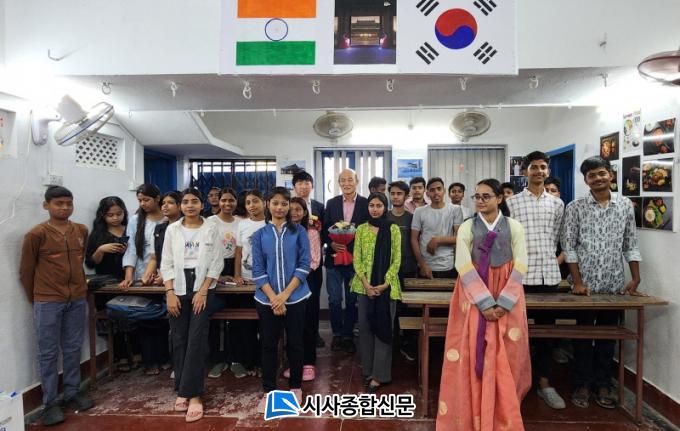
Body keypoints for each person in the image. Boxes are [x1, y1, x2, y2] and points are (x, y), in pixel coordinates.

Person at [436, 179, 530, 431]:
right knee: (470, 351)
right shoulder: (467, 227)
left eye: (486, 196)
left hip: (507, 292)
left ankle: (502, 416)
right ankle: (471, 414)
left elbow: (521, 263)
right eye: (477, 196)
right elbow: (462, 264)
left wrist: (504, 302)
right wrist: (485, 302)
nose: (480, 201)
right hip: (472, 294)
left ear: (499, 199)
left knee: (506, 354)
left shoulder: (514, 226)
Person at [562, 157, 643, 410]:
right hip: (583, 289)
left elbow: (630, 244)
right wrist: (577, 282)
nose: (597, 178)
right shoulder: (575, 207)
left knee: (608, 338)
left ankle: (603, 384)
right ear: (586, 180)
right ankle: (582, 384)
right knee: (583, 337)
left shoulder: (625, 205)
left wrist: (635, 277)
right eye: (591, 175)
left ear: (611, 175)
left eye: (601, 173)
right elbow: (569, 246)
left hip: (613, 286)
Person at [20, 186, 94, 426]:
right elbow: (26, 271)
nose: (64, 207)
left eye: (68, 203)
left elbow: (81, 261)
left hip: (77, 299)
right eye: (58, 203)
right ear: (46, 205)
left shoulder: (80, 230)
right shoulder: (36, 234)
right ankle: (50, 403)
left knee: (73, 348)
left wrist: (79, 291)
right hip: (48, 301)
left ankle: (72, 392)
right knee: (48, 352)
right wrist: (37, 299)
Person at [506, 151, 566, 410]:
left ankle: (544, 383)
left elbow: (559, 239)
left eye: (543, 167)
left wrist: (555, 262)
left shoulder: (557, 204)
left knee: (546, 334)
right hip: (519, 277)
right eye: (534, 167)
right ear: (524, 172)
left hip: (548, 277)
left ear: (547, 171)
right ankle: (513, 383)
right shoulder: (512, 203)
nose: (539, 171)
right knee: (514, 333)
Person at [161, 188, 224, 423]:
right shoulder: (172, 229)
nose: (190, 205)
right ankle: (182, 389)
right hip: (177, 284)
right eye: (185, 202)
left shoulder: (211, 228)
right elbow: (166, 262)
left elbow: (216, 262)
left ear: (201, 205)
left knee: (196, 338)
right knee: (179, 337)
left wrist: (203, 291)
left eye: (194, 201)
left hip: (203, 285)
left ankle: (194, 395)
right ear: (180, 206)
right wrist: (169, 292)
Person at [252, 187, 312, 413]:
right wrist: (273, 298)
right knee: (268, 345)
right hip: (266, 300)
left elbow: (304, 264)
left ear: (289, 207)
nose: (279, 207)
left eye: (284, 204)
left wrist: (284, 295)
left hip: (295, 297)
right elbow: (258, 270)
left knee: (295, 343)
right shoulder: (259, 235)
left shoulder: (300, 232)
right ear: (268, 204)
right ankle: (268, 391)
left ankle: (295, 387)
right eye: (275, 203)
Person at [352, 192, 402, 392]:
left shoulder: (393, 229)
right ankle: (368, 370)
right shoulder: (361, 229)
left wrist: (385, 283)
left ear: (385, 207)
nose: (375, 209)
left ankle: (379, 375)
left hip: (387, 288)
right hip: (363, 287)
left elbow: (396, 259)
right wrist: (366, 283)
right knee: (365, 328)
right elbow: (357, 258)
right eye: (371, 205)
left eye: (379, 205)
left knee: (383, 328)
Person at [120, 184, 169, 375]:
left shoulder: (168, 219)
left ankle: (164, 357)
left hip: (164, 275)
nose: (143, 203)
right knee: (145, 318)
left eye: (146, 199)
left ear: (157, 198)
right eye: (140, 200)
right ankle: (150, 361)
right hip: (143, 276)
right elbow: (131, 249)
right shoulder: (135, 220)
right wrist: (129, 276)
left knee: (163, 319)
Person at [322, 169, 369, 353]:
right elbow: (324, 228)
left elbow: (367, 231)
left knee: (351, 300)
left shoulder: (365, 203)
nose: (347, 183)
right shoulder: (332, 203)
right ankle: (337, 334)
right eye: (343, 180)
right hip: (334, 259)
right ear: (339, 183)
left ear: (357, 181)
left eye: (350, 180)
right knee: (334, 300)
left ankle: (348, 335)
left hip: (355, 260)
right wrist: (331, 243)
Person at [85, 196, 134, 372]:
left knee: (134, 317)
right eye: (110, 215)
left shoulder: (130, 229)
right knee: (113, 321)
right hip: (107, 284)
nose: (115, 218)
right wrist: (101, 249)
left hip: (130, 280)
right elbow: (91, 263)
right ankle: (121, 356)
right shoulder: (98, 234)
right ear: (103, 215)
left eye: (119, 214)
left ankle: (137, 354)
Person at [284, 197, 321, 381]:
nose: (294, 212)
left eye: (298, 209)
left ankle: (308, 362)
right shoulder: (282, 230)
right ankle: (292, 362)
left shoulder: (311, 232)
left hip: (307, 280)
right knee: (291, 324)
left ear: (305, 212)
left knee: (308, 322)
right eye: (291, 209)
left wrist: (297, 276)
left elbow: (314, 260)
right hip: (285, 283)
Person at [207, 187, 242, 378]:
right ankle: (217, 360)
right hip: (214, 269)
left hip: (235, 267)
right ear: (218, 202)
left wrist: (236, 274)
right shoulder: (210, 222)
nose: (227, 204)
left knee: (236, 317)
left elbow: (240, 250)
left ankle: (236, 359)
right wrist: (216, 276)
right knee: (215, 317)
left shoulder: (240, 222)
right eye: (224, 200)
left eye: (231, 200)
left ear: (236, 202)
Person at [232, 189, 267, 377]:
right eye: (248, 202)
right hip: (246, 280)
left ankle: (263, 363)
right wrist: (237, 275)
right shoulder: (242, 224)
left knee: (265, 325)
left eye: (255, 201)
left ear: (264, 202)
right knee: (246, 325)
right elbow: (238, 252)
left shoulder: (270, 223)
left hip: (266, 283)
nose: (252, 205)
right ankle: (248, 361)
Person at [292, 171, 326, 348]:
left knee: (313, 301)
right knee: (296, 302)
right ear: (294, 187)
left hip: (314, 265)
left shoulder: (319, 206)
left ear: (312, 186)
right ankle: (296, 337)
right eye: (299, 183)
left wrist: (318, 254)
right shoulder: (289, 206)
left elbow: (324, 232)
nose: (303, 186)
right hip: (293, 267)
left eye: (307, 183)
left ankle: (314, 334)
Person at [387, 181, 418, 362]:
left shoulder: (412, 218)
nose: (395, 196)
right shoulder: (384, 217)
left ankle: (407, 343)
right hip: (388, 272)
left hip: (408, 268)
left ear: (406, 196)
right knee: (391, 308)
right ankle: (391, 344)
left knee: (407, 307)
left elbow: (416, 242)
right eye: (393, 193)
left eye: (399, 193)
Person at [411, 177, 464, 279]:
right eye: (432, 190)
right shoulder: (419, 211)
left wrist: (437, 240)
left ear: (444, 191)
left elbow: (460, 238)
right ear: (427, 193)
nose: (436, 192)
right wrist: (422, 264)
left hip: (448, 265)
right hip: (426, 266)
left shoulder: (455, 210)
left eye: (439, 189)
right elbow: (413, 238)